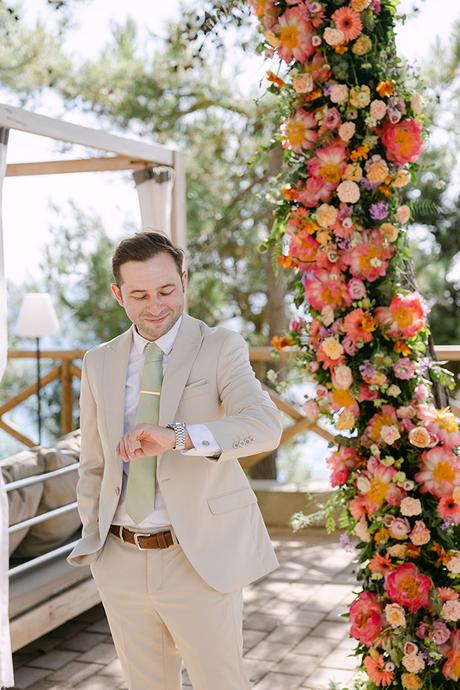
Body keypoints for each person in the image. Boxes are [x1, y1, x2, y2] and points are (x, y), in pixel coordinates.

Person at [67, 231, 283, 690]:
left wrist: (178, 436)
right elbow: (93, 462)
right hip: (120, 558)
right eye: (140, 294)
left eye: (166, 290)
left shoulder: (221, 346)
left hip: (198, 556)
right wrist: (95, 534)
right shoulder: (97, 362)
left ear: (184, 280)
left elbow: (265, 425)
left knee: (221, 683)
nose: (156, 306)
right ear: (118, 294)